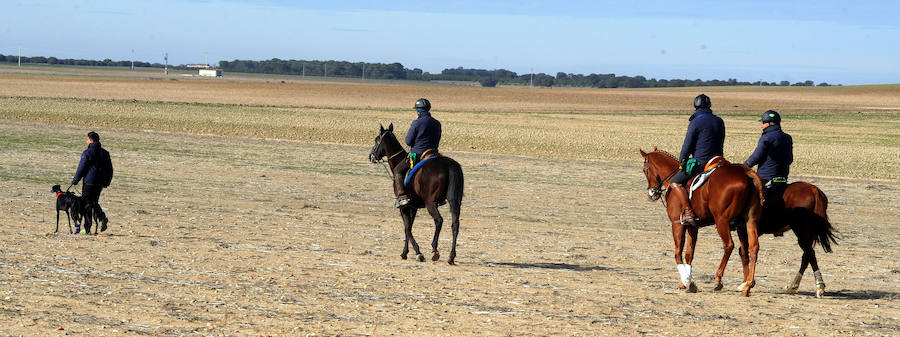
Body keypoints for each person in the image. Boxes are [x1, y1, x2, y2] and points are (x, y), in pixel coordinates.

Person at [669, 94, 725, 224]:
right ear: (709, 105)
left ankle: (688, 212)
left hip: (701, 162)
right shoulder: (719, 120)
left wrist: (682, 160)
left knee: (675, 182)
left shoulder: (695, 122)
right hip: (718, 161)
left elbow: (687, 144)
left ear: (695, 106)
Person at [393, 98, 441, 208]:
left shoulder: (417, 122)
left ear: (418, 111)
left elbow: (408, 141)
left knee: (397, 170)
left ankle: (402, 197)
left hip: (418, 155)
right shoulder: (437, 123)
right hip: (433, 155)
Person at [744, 110, 793, 211]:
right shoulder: (787, 138)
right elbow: (790, 159)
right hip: (783, 177)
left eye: (763, 123)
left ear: (771, 123)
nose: (762, 126)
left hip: (766, 177)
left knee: (744, 193)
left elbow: (756, 157)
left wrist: (744, 166)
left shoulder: (766, 137)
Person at [72, 131, 114, 233]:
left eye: (87, 139)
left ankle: (87, 228)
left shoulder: (87, 153)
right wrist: (107, 181)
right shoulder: (105, 153)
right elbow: (110, 169)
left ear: (91, 140)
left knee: (87, 204)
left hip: (89, 181)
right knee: (94, 202)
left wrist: (75, 180)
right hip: (100, 182)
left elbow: (81, 168)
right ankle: (101, 218)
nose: (86, 141)